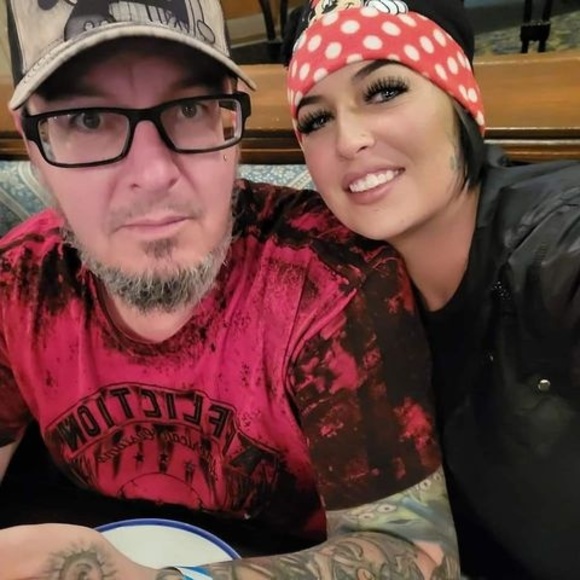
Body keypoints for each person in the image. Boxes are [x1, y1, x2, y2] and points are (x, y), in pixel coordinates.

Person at [0, 1, 461, 578]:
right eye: (89, 120)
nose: (155, 173)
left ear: (226, 123)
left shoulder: (329, 282)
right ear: (34, 145)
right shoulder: (20, 281)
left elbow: (419, 556)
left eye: (189, 109)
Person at [284, 0, 580, 578]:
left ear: (459, 99)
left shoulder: (554, 245)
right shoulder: (341, 289)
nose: (348, 140)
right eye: (317, 120)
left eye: (384, 91)